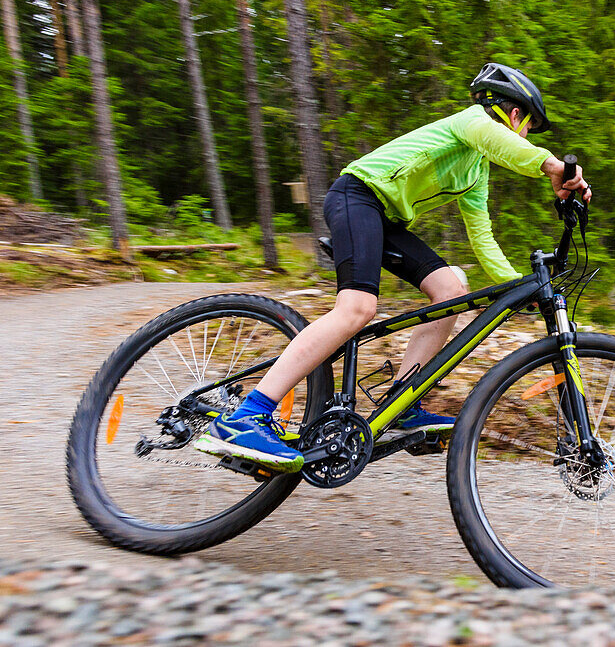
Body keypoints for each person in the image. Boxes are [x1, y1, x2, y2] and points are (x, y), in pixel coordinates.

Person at [195, 63, 592, 472]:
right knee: (357, 309)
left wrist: (518, 287)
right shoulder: (472, 122)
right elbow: (508, 146)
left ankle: (403, 403)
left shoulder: (476, 172)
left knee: (452, 291)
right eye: (528, 127)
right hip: (357, 196)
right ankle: (246, 416)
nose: (525, 136)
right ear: (513, 115)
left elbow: (483, 239)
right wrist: (554, 167)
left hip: (383, 220)